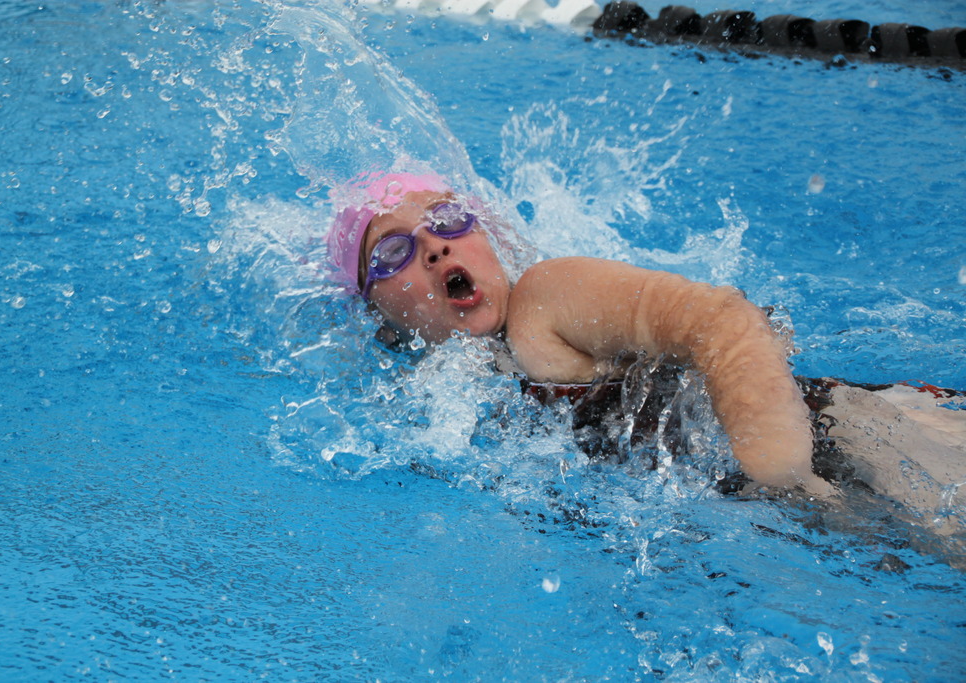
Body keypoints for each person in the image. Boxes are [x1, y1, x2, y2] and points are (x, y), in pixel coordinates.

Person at [326, 167, 966, 512]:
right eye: (393, 253)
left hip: (863, 438)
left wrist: (784, 478)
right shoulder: (454, 394)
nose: (435, 245)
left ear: (488, 239)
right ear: (380, 315)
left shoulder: (547, 298)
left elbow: (724, 321)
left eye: (448, 220)